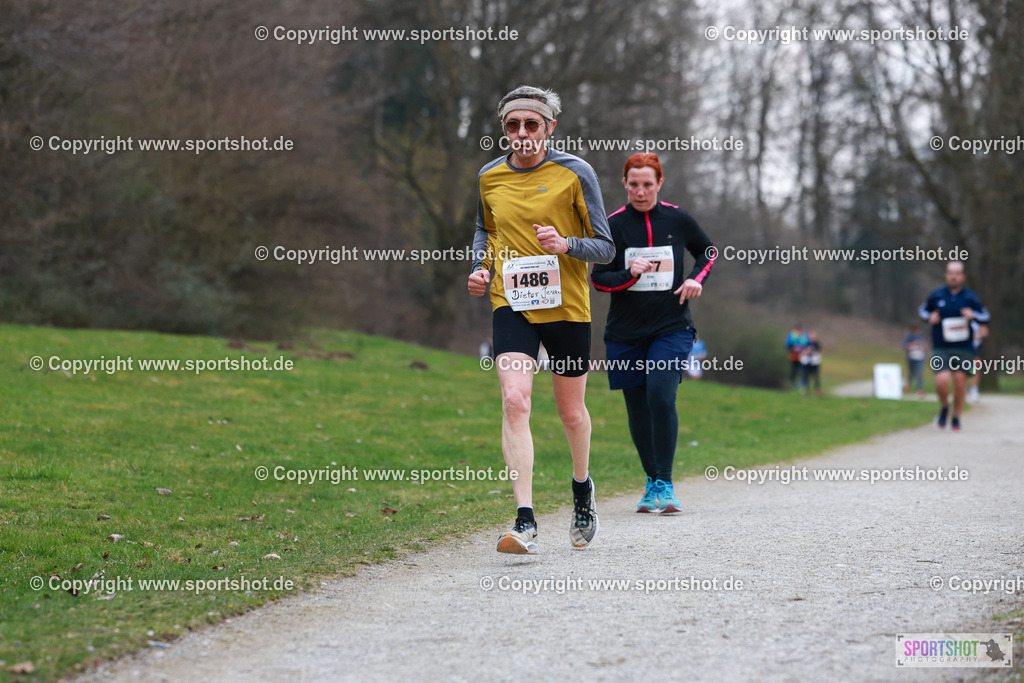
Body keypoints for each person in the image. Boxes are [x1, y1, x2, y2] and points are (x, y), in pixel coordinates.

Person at [468, 85, 615, 553]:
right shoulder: (489, 176)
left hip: (566, 304)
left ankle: (581, 488)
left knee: (571, 412)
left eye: (532, 124)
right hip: (510, 301)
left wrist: (566, 245)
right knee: (514, 400)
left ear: (549, 128)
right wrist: (479, 267)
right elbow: (484, 230)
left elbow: (607, 248)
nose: (522, 133)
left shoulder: (576, 172)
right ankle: (525, 519)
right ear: (504, 129)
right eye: (513, 125)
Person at [592, 153, 715, 514]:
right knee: (638, 409)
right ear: (624, 185)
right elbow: (599, 279)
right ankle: (651, 482)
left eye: (647, 184)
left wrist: (695, 278)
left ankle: (666, 481)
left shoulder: (677, 218)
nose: (641, 192)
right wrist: (630, 273)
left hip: (671, 327)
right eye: (633, 185)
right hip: (625, 333)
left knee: (661, 396)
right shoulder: (613, 225)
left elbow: (707, 252)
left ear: (659, 183)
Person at [917, 261, 990, 431]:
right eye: (951, 273)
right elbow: (922, 311)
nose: (954, 276)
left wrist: (973, 315)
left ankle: (956, 416)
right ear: (946, 275)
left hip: (964, 348)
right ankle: (944, 407)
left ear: (963, 276)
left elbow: (985, 316)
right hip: (941, 347)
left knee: (959, 382)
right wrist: (930, 318)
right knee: (941, 382)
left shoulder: (971, 297)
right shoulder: (936, 295)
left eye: (957, 273)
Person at [902, 323, 926, 398]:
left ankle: (920, 389)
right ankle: (908, 386)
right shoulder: (909, 337)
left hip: (920, 357)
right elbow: (905, 346)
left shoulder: (921, 337)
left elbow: (924, 346)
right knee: (911, 373)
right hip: (911, 357)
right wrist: (912, 345)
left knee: (919, 372)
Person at [967, 321, 988, 403]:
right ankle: (964, 389)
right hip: (962, 348)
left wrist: (977, 334)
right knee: (963, 369)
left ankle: (974, 389)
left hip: (975, 347)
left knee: (975, 367)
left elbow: (985, 332)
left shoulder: (978, 320)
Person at [785, 324, 809, 391]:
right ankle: (792, 383)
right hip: (794, 355)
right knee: (794, 370)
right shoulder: (792, 335)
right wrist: (792, 348)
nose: (799, 331)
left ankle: (801, 384)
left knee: (802, 370)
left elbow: (807, 344)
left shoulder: (804, 336)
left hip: (802, 356)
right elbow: (787, 345)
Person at [801, 330, 822, 397]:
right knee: (806, 376)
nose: (812, 338)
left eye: (813, 337)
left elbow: (819, 352)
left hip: (815, 363)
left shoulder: (817, 344)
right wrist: (807, 352)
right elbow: (802, 352)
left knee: (816, 377)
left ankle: (817, 391)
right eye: (811, 337)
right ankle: (806, 390)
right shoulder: (805, 343)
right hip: (807, 362)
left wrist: (812, 352)